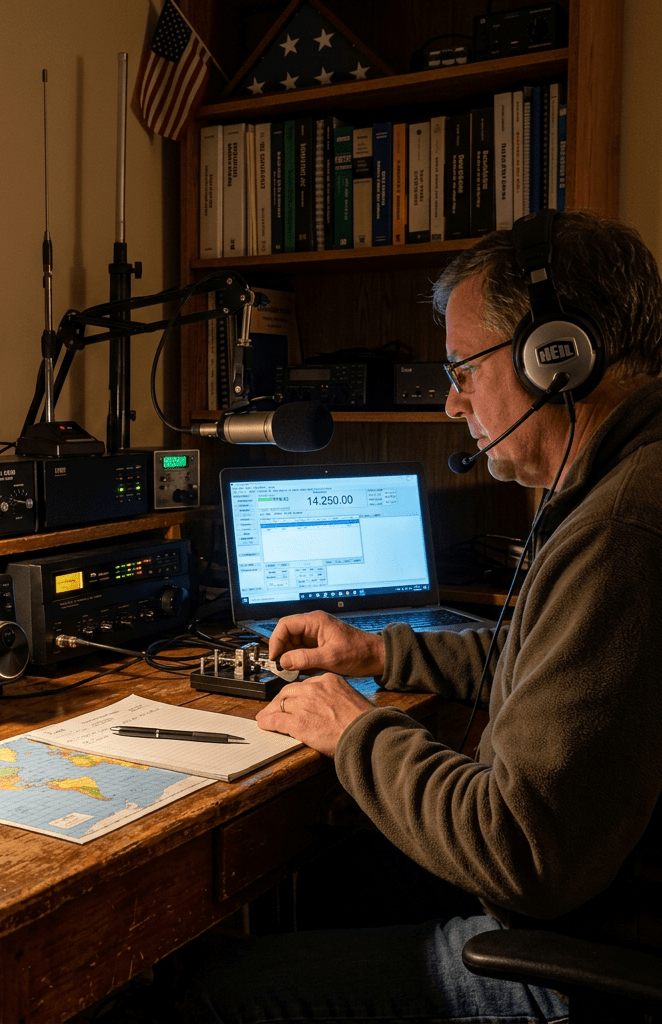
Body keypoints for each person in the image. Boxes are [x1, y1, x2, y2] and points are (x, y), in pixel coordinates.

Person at [180, 210, 662, 1023]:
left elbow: (519, 853)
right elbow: (552, 661)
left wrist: (353, 729)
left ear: (556, 358)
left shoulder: (620, 532)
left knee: (221, 993)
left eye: (463, 369)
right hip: (612, 902)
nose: (450, 402)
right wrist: (374, 651)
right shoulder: (628, 481)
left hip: (588, 963)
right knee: (348, 867)